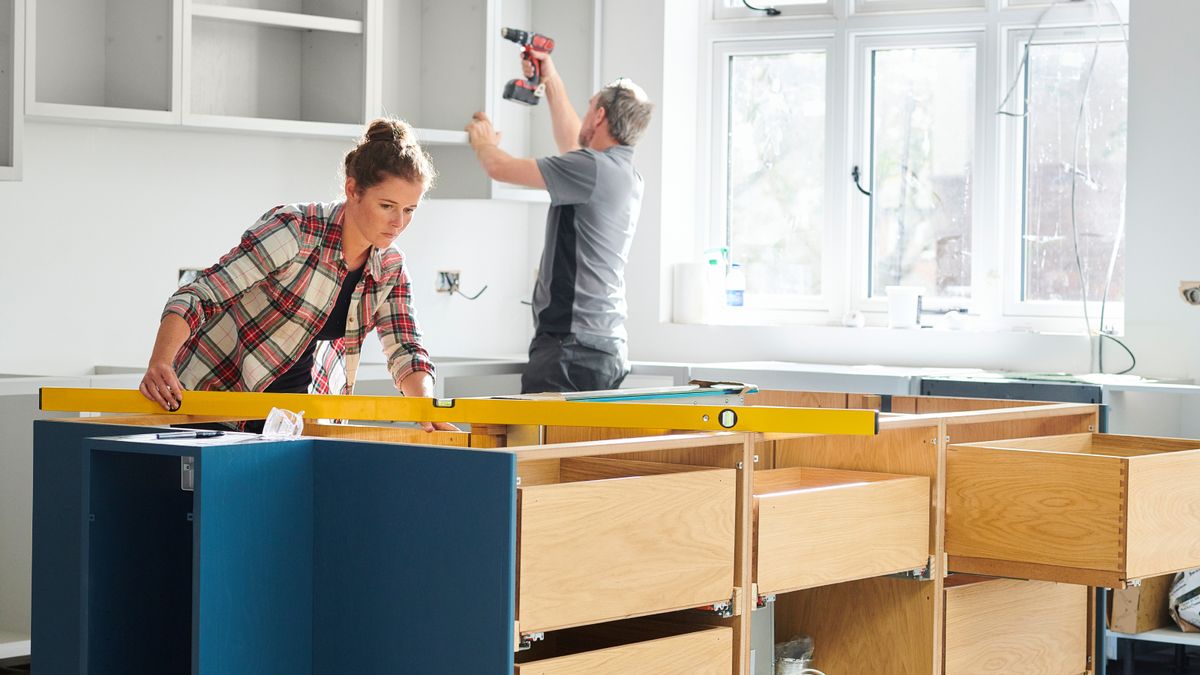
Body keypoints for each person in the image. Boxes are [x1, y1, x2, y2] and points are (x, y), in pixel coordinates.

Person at [139, 118, 455, 432]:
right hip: (212, 405)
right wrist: (160, 363)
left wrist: (427, 410)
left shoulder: (390, 269)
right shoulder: (295, 231)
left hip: (287, 422)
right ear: (352, 189)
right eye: (387, 205)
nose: (398, 222)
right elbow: (199, 296)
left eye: (410, 209)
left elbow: (406, 351)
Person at [466, 52, 654, 394]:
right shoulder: (622, 173)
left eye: (589, 107)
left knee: (537, 446)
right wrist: (550, 78)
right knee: (576, 448)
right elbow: (572, 142)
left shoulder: (590, 169)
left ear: (599, 116)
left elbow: (500, 168)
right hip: (600, 347)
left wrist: (483, 142)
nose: (583, 116)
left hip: (571, 349)